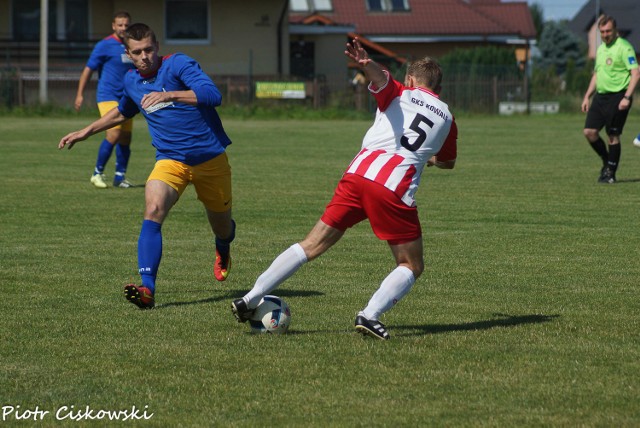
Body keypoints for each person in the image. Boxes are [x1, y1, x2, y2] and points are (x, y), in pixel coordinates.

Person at [231, 37, 457, 340]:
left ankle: (250, 296)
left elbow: (382, 79)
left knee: (311, 244)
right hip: (391, 188)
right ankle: (370, 314)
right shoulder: (447, 117)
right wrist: (428, 160)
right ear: (437, 89)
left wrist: (367, 65)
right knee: (411, 264)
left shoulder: (400, 92)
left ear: (411, 79)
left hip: (356, 176)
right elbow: (447, 162)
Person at [59, 23, 236, 309]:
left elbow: (212, 95)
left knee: (222, 226)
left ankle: (224, 245)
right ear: (128, 54)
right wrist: (85, 131)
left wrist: (170, 94)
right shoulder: (131, 81)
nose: (145, 56)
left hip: (211, 161)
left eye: (149, 50)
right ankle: (147, 289)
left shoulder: (178, 64)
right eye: (138, 52)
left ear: (158, 48)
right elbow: (122, 111)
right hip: (170, 161)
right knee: (153, 210)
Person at [74, 11, 136, 189]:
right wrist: (80, 93)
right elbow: (88, 70)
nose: (123, 28)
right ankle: (97, 173)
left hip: (128, 98)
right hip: (108, 95)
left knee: (125, 137)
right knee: (114, 133)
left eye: (126, 25)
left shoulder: (132, 45)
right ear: (113, 26)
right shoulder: (104, 45)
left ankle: (119, 177)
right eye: (120, 25)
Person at [581, 15, 639, 184]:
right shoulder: (600, 49)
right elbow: (597, 75)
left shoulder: (625, 48)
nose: (605, 34)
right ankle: (607, 161)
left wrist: (627, 97)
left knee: (612, 135)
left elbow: (635, 74)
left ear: (615, 30)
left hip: (619, 96)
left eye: (608, 31)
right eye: (602, 32)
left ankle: (611, 173)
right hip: (600, 97)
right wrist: (587, 96)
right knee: (589, 132)